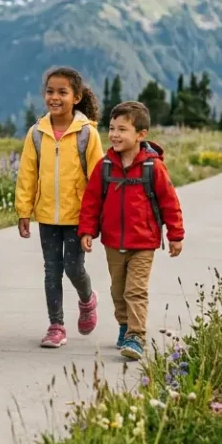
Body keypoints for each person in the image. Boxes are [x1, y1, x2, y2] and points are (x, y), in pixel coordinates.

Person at [78, 101, 184, 361]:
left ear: (140, 134)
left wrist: (175, 236)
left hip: (143, 243)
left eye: (122, 129)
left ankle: (136, 336)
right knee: (118, 290)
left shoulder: (153, 167)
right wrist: (87, 231)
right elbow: (91, 201)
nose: (114, 134)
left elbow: (170, 203)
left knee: (135, 290)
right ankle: (124, 326)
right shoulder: (104, 166)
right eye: (112, 128)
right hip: (113, 241)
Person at [15, 66, 105, 349]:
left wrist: (94, 219)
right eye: (50, 91)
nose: (54, 97)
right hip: (47, 216)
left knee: (74, 268)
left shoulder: (87, 134)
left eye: (62, 92)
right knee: (51, 271)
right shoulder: (36, 133)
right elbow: (27, 174)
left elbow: (98, 179)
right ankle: (56, 325)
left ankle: (87, 299)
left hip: (78, 216)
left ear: (76, 97)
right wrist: (23, 210)